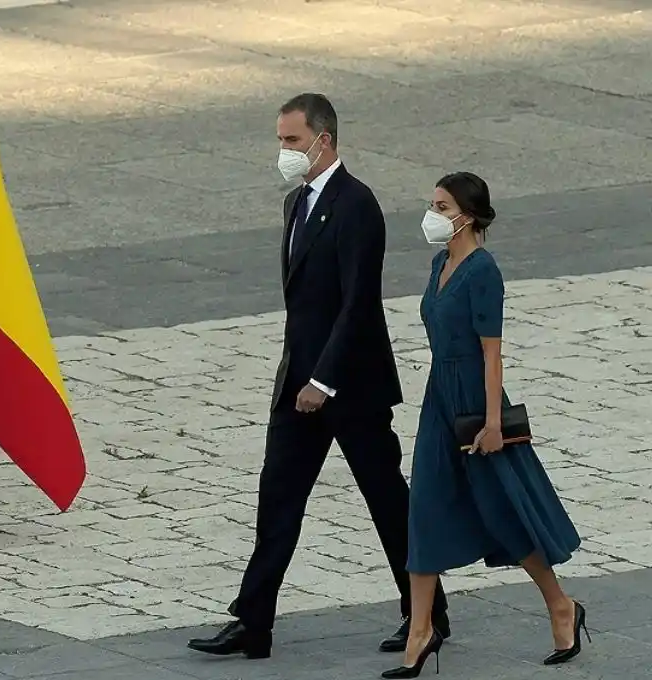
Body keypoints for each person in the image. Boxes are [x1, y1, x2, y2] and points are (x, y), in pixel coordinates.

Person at [186, 92, 450, 660]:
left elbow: (358, 304)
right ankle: (254, 621)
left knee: (386, 500)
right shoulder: (295, 205)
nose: (284, 152)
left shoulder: (357, 206)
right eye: (281, 140)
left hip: (349, 387)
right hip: (297, 384)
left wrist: (324, 380)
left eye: (292, 141)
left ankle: (427, 612)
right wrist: (297, 378)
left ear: (322, 141)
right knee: (276, 497)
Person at [381, 172, 586, 679]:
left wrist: (492, 422)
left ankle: (561, 606)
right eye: (432, 202)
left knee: (504, 509)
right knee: (424, 506)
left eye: (442, 205)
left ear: (467, 215)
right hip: (439, 400)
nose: (432, 213)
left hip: (475, 401)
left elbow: (491, 354)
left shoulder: (483, 271)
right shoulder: (439, 263)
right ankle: (421, 629)